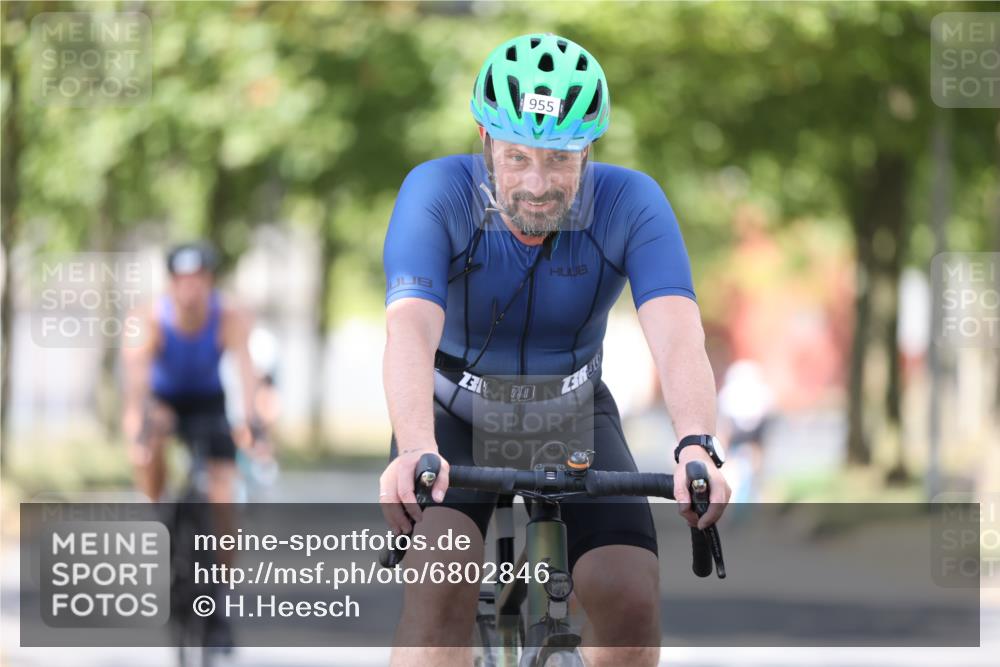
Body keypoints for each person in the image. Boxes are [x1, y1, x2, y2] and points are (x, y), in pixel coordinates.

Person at [380, 33, 731, 667]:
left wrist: (696, 443)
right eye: (517, 158)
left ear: (588, 149)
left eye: (560, 158)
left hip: (571, 414)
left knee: (630, 601)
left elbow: (678, 334)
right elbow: (409, 328)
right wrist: (413, 447)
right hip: (450, 419)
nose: (537, 185)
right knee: (437, 597)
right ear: (485, 140)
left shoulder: (632, 202)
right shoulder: (436, 193)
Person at [121, 241, 264, 507]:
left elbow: (246, 370)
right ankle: (156, 518)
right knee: (149, 454)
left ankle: (223, 547)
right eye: (182, 280)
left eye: (198, 280)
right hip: (163, 399)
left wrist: (252, 421)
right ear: (171, 283)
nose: (190, 289)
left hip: (208, 401)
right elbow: (136, 383)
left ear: (209, 281)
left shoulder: (228, 317)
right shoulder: (148, 320)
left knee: (223, 488)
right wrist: (136, 432)